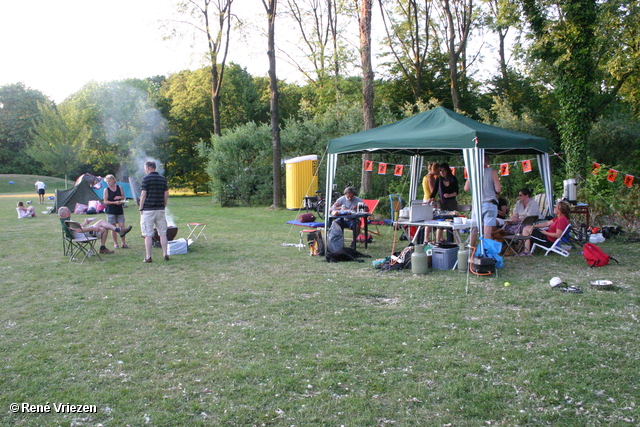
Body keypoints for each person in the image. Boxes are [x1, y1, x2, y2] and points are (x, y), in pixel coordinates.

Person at [58, 206, 132, 254]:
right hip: (83, 235)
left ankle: (103, 247)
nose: (70, 212)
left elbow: (77, 228)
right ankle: (119, 230)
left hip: (83, 233)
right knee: (102, 224)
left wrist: (85, 222)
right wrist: (92, 228)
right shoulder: (67, 222)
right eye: (67, 211)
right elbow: (78, 230)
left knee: (103, 227)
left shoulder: (65, 221)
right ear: (63, 214)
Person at [464, 155, 502, 247]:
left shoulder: (473, 172)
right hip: (489, 203)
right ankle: (486, 250)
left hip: (477, 204)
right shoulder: (492, 172)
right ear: (487, 161)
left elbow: (466, 188)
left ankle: (471, 248)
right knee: (487, 228)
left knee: (474, 227)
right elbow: (498, 189)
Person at [139, 160, 169, 263]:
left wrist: (141, 207)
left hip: (148, 209)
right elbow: (166, 194)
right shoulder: (163, 179)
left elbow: (143, 194)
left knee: (148, 234)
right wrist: (164, 205)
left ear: (148, 168)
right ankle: (165, 254)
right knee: (163, 233)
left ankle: (148, 257)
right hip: (160, 208)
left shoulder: (146, 179)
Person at [103, 174, 129, 249]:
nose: (108, 183)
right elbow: (105, 201)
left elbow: (123, 197)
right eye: (107, 182)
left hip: (119, 210)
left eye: (109, 181)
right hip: (111, 211)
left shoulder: (119, 187)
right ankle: (115, 244)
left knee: (122, 227)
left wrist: (119, 197)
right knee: (113, 228)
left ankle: (123, 243)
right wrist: (114, 202)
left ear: (114, 180)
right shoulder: (106, 190)